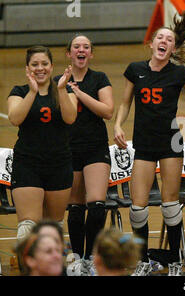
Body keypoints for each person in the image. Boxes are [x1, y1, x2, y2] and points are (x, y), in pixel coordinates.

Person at [113, 9, 185, 276]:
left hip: (170, 144)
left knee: (170, 205)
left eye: (170, 40)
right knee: (138, 208)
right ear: (151, 44)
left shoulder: (179, 73)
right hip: (144, 143)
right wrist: (118, 124)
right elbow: (125, 102)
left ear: (173, 48)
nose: (164, 42)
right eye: (160, 38)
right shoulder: (136, 70)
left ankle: (174, 260)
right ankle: (142, 261)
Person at [7, 46, 77, 243]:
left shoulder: (65, 90)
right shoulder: (19, 91)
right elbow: (15, 118)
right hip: (27, 165)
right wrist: (32, 92)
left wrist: (62, 89)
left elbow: (70, 118)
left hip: (59, 164)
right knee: (29, 228)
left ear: (52, 66)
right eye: (35, 64)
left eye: (44, 64)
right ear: (27, 68)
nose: (40, 68)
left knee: (53, 227)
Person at [58, 34, 114, 276]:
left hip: (95, 148)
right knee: (76, 208)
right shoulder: (58, 81)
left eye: (86, 47)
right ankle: (77, 259)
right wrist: (64, 88)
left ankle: (90, 257)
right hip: (68, 149)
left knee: (98, 206)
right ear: (69, 53)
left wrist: (79, 93)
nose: (81, 50)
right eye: (76, 47)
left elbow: (108, 111)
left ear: (91, 53)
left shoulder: (99, 78)